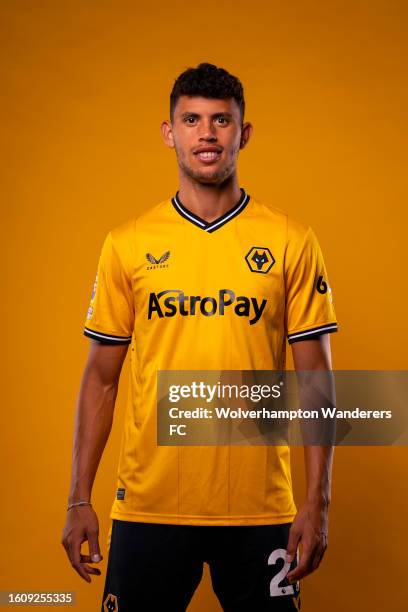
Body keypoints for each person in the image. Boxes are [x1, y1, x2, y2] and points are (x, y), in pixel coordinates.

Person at [62, 62, 338, 612]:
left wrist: (318, 501)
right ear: (170, 133)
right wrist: (77, 499)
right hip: (149, 506)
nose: (206, 134)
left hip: (261, 510)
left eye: (221, 120)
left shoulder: (290, 240)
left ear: (244, 133)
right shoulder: (127, 243)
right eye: (191, 120)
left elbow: (316, 379)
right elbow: (101, 378)